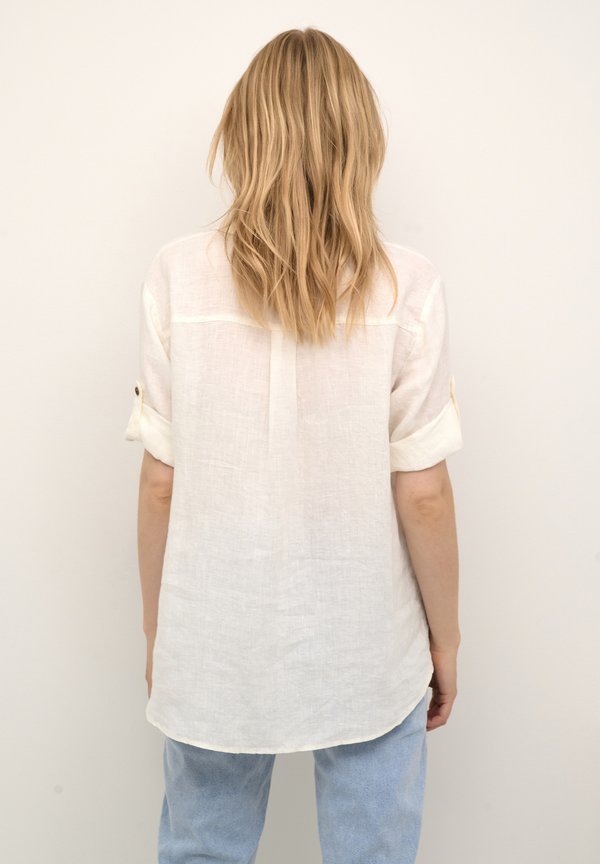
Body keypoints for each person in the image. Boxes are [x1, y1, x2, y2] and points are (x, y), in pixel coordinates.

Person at [124, 26, 463, 864]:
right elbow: (423, 493)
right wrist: (446, 641)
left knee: (201, 850)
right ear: (360, 141)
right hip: (368, 639)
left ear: (243, 135)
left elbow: (160, 481)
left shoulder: (178, 273)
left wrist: (161, 632)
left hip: (213, 637)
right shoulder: (406, 285)